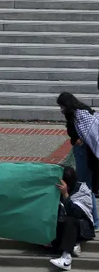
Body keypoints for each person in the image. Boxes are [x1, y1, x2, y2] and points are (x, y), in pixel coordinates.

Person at [57, 92, 99, 229]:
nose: (61, 110)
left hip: (85, 154)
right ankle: (94, 220)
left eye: (62, 106)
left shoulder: (79, 115)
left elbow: (91, 133)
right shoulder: (80, 112)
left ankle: (94, 221)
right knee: (87, 187)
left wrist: (83, 140)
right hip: (84, 153)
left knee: (85, 187)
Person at [49, 166, 95, 270]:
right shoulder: (55, 190)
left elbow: (76, 213)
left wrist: (65, 194)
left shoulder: (82, 190)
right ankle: (73, 243)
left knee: (70, 220)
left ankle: (66, 259)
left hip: (82, 227)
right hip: (63, 227)